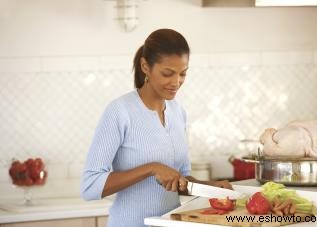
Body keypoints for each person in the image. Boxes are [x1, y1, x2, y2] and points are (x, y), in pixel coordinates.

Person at [80, 28, 232, 227]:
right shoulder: (120, 111)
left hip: (171, 223)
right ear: (145, 66)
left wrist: (211, 187)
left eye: (183, 74)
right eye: (167, 73)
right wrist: (151, 168)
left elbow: (180, 181)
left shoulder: (178, 112)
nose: (176, 82)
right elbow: (90, 186)